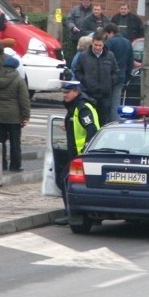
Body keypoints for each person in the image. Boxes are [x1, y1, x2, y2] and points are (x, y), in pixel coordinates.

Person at [56, 80, 100, 225]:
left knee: (64, 180)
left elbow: (91, 130)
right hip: (78, 154)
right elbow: (78, 126)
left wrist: (84, 152)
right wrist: (68, 126)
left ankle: (70, 213)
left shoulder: (82, 108)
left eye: (67, 93)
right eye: (63, 93)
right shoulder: (76, 106)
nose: (64, 96)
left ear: (76, 91)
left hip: (81, 155)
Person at [0, 56, 30, 171]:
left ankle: (1, 165)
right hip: (14, 116)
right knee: (15, 142)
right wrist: (25, 115)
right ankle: (15, 165)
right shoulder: (19, 80)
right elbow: (24, 99)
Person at [74, 31, 118, 125]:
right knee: (89, 120)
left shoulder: (110, 56)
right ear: (92, 43)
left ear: (103, 44)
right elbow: (77, 71)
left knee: (103, 120)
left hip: (105, 94)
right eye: (95, 45)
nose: (97, 47)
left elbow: (115, 71)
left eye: (100, 45)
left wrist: (111, 81)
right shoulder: (84, 56)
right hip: (89, 93)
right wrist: (84, 80)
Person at [103, 23, 134, 122]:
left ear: (110, 33)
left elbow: (105, 61)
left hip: (108, 77)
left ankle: (108, 123)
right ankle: (115, 122)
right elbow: (130, 62)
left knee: (106, 102)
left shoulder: (109, 43)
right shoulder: (127, 42)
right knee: (116, 102)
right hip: (121, 76)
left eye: (106, 35)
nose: (106, 37)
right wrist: (127, 77)